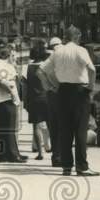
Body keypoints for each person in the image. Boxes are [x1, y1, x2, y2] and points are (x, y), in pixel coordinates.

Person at [41, 25, 99, 177]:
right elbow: (92, 70)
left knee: (65, 130)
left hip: (63, 91)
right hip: (80, 91)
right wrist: (90, 88)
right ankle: (82, 166)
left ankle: (66, 165)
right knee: (80, 130)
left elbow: (41, 71)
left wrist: (51, 87)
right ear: (77, 37)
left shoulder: (58, 52)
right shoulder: (80, 50)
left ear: (66, 37)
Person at [0, 43, 26, 163]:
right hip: (6, 100)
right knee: (9, 128)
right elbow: (1, 81)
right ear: (8, 55)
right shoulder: (3, 67)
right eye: (12, 55)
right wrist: (12, 93)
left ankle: (1, 155)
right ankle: (13, 155)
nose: (14, 57)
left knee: (2, 129)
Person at [38, 37, 63, 168]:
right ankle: (61, 156)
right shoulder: (59, 56)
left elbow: (40, 72)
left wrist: (48, 86)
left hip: (53, 95)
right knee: (63, 127)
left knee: (54, 127)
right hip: (61, 94)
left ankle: (57, 157)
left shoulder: (51, 58)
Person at [24, 43, 52, 161]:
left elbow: (26, 85)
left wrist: (26, 101)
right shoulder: (47, 66)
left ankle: (40, 153)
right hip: (47, 97)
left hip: (33, 99)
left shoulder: (28, 67)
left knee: (36, 126)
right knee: (50, 124)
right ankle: (53, 148)